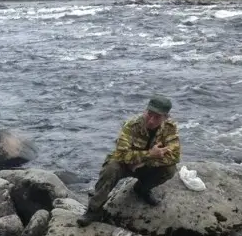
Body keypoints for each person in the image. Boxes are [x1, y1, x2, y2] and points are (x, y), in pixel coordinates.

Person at [77, 95, 181, 226]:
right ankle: (94, 210)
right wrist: (150, 154)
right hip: (125, 165)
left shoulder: (170, 128)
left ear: (165, 117)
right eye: (149, 114)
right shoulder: (131, 125)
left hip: (145, 164)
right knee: (111, 168)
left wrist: (145, 161)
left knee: (170, 169)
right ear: (145, 110)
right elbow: (121, 154)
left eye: (157, 117)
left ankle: (142, 189)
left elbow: (174, 156)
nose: (151, 120)